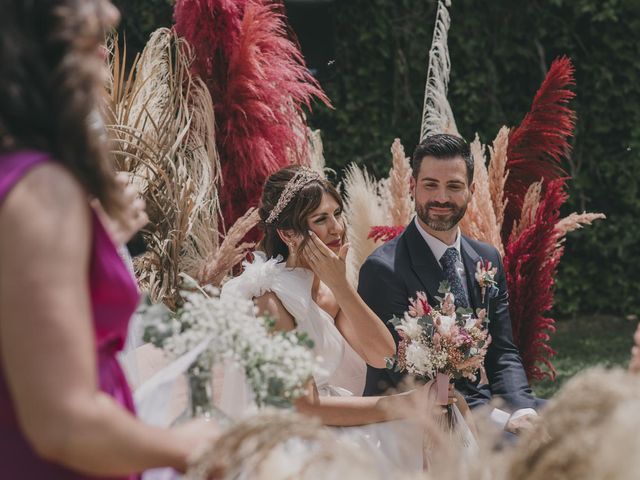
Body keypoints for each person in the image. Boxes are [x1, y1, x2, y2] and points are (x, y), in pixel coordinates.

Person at [0, 1, 217, 478]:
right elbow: (62, 422)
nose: (112, 14)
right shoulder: (41, 188)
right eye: (90, 34)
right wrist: (186, 446)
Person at [221, 165, 476, 474]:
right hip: (296, 440)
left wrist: (341, 286)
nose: (336, 228)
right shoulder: (269, 300)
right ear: (288, 233)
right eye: (320, 220)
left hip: (334, 425)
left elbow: (383, 355)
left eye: (337, 214)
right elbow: (305, 406)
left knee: (449, 410)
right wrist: (407, 402)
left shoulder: (329, 289)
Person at [358, 133, 543, 435]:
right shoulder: (383, 270)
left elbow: (504, 352)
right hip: (422, 424)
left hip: (485, 407)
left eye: (454, 186)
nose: (441, 197)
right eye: (430, 184)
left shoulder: (487, 258)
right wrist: (501, 421)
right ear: (412, 187)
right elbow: (400, 378)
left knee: (580, 432)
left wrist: (523, 409)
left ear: (470, 191)